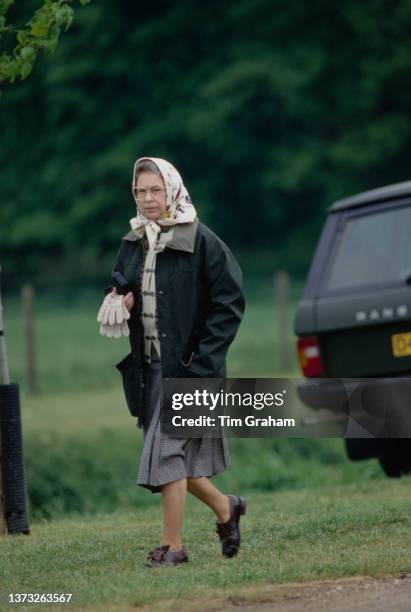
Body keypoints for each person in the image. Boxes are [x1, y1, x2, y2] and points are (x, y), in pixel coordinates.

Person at [108, 157, 246, 567]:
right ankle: (227, 509)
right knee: (175, 462)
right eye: (140, 191)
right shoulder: (133, 240)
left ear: (172, 189)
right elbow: (122, 281)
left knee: (167, 455)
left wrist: (203, 363)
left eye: (155, 190)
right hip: (149, 369)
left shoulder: (201, 240)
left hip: (191, 371)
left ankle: (173, 548)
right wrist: (118, 299)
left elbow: (230, 304)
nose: (148, 199)